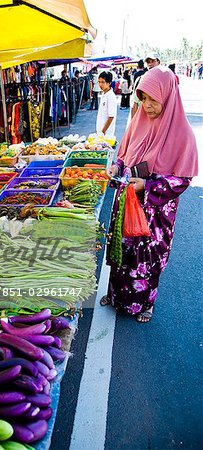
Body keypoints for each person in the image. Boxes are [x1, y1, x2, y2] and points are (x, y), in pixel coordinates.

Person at [100, 66, 198, 323]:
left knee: (147, 256)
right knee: (122, 249)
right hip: (128, 197)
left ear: (167, 96)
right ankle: (115, 295)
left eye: (153, 99)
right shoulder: (137, 121)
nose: (147, 105)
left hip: (155, 211)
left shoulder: (183, 133)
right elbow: (123, 154)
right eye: (143, 98)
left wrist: (148, 186)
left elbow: (182, 180)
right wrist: (116, 166)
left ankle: (145, 305)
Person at [131, 55, 159, 119]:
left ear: (158, 62)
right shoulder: (140, 79)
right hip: (143, 118)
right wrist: (133, 124)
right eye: (148, 62)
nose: (150, 64)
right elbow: (135, 104)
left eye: (153, 61)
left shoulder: (164, 80)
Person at [96, 71, 117, 137]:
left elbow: (111, 116)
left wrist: (103, 131)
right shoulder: (104, 93)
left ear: (109, 83)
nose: (100, 85)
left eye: (103, 82)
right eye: (99, 82)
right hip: (100, 130)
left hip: (106, 133)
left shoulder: (111, 96)